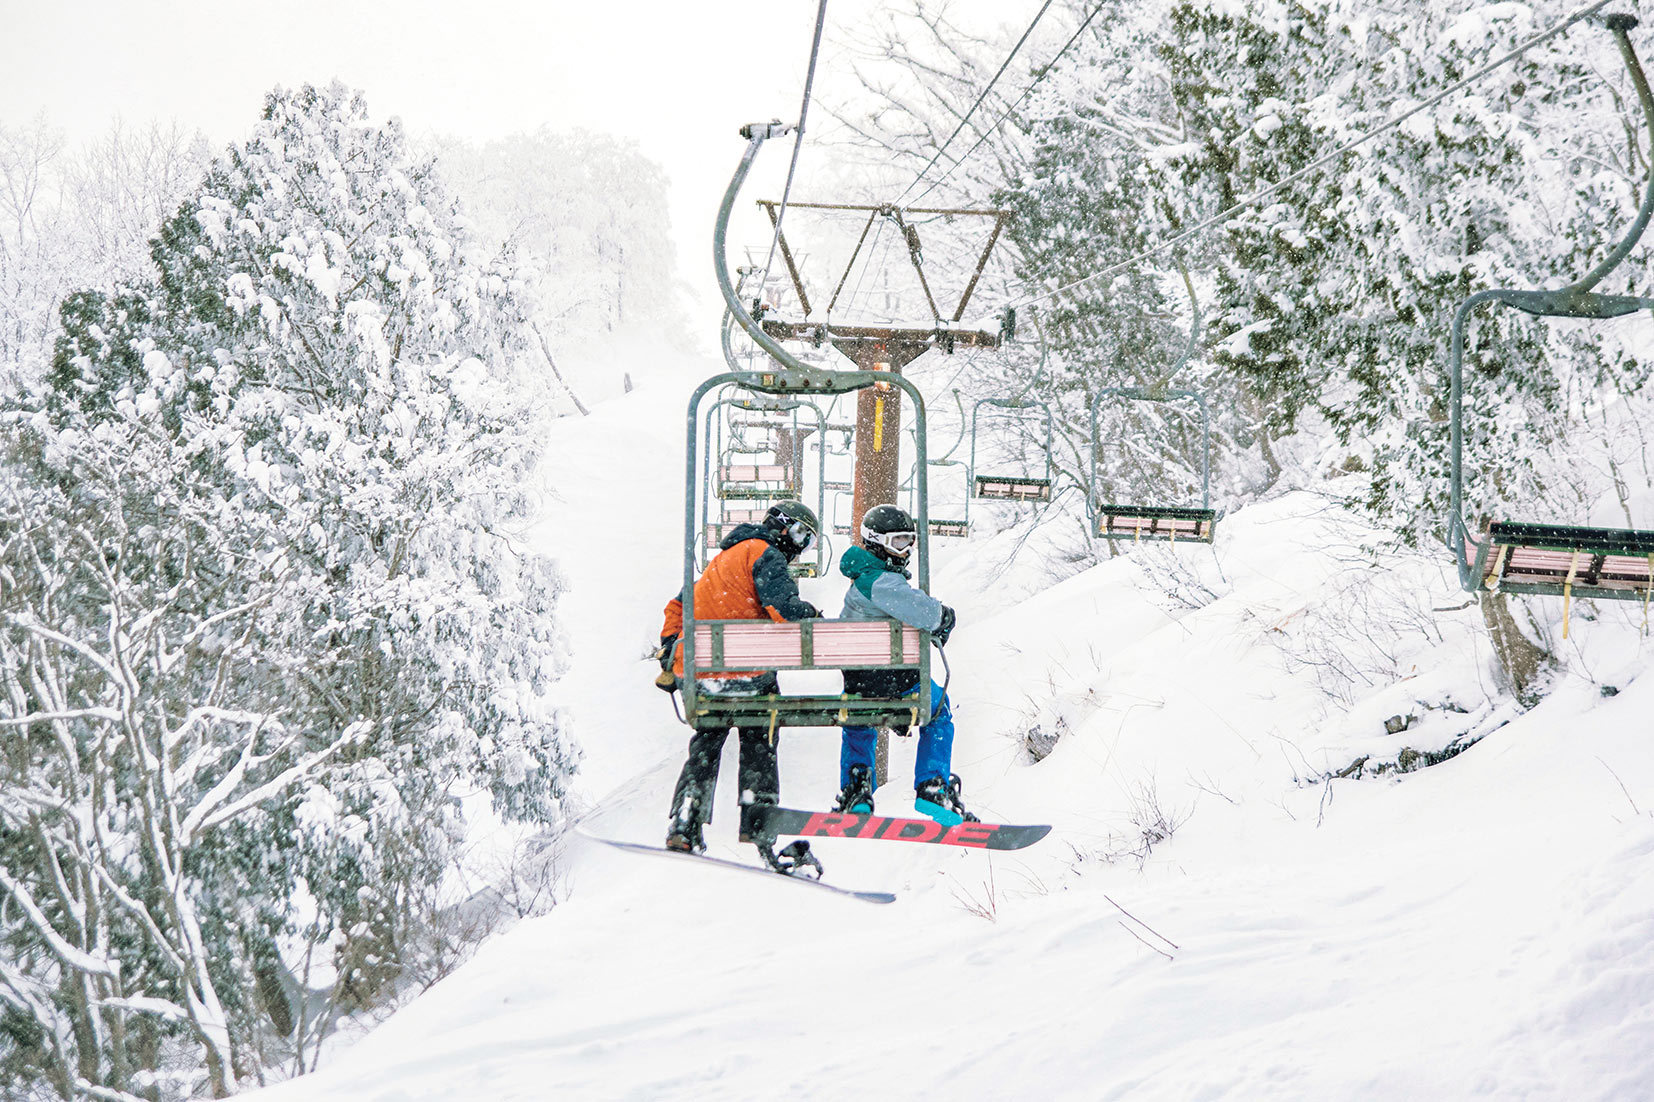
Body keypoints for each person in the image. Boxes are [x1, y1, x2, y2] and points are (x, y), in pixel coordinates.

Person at [657, 501, 822, 860]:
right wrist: (811, 613)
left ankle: (686, 819)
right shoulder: (765, 555)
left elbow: (676, 608)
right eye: (801, 536)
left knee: (707, 741)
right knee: (759, 734)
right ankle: (758, 817)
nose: (799, 547)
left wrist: (672, 651)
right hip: (749, 678)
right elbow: (785, 612)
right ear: (783, 528)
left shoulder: (722, 561)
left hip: (705, 678)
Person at [834, 504, 978, 825]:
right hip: (893, 682)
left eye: (910, 542)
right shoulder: (879, 581)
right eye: (899, 542)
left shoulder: (861, 580)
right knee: (938, 709)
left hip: (858, 684)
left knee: (859, 720)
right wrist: (944, 616)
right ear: (877, 541)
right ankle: (931, 785)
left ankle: (857, 789)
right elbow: (923, 611)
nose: (906, 550)